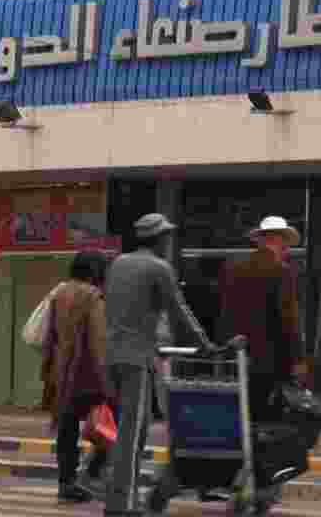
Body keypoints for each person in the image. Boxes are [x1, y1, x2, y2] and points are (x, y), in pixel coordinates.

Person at [102, 213, 215, 516]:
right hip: (136, 358)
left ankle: (118, 498)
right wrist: (206, 345)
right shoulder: (158, 267)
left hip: (112, 356)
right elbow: (179, 309)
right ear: (161, 239)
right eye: (167, 237)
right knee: (133, 433)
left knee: (130, 431)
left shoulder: (118, 263)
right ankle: (122, 504)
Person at [217, 215, 306, 423]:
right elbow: (288, 319)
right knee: (269, 418)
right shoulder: (281, 271)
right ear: (275, 240)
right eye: (284, 241)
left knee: (242, 414)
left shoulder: (234, 269)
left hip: (239, 356)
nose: (286, 248)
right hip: (272, 362)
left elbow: (225, 314)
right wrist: (298, 359)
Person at [40, 250, 113, 503]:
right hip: (86, 372)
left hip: (62, 371)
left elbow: (49, 334)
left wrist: (49, 370)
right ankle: (92, 473)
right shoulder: (93, 296)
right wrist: (106, 378)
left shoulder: (60, 293)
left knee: (67, 430)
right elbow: (98, 339)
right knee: (114, 422)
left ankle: (66, 483)